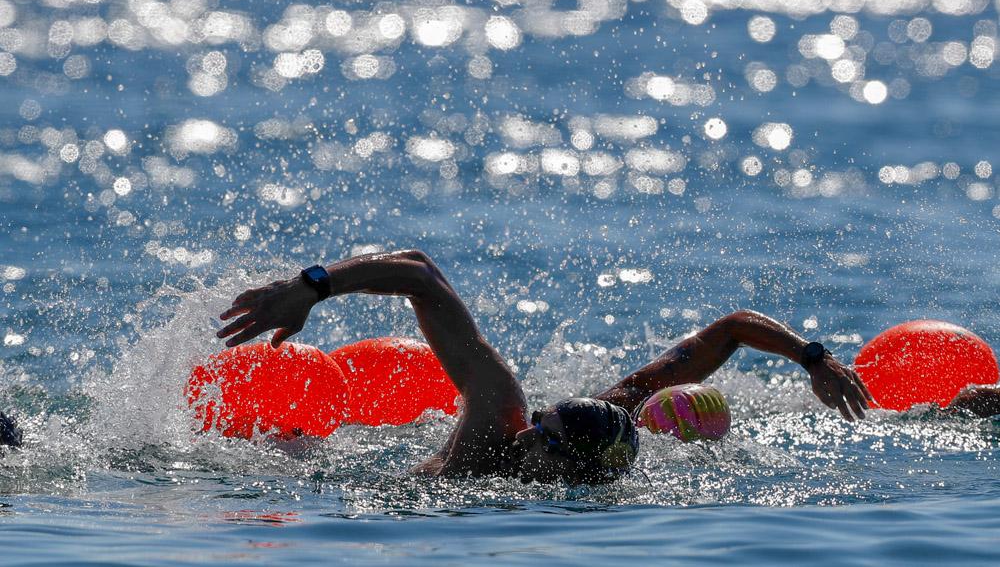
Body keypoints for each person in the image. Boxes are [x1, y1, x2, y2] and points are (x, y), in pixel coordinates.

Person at [217, 250, 879, 484]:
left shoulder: (507, 470)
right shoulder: (503, 418)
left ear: (570, 467)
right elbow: (730, 329)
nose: (528, 425)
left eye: (544, 431)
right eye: (541, 417)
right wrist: (310, 286)